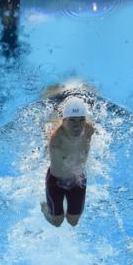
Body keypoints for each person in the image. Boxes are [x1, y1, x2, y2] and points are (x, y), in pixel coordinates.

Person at [40, 96, 95, 227]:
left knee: (73, 222)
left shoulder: (89, 130)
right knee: (57, 222)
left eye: (81, 120)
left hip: (78, 181)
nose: (77, 125)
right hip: (56, 182)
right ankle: (44, 207)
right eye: (72, 120)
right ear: (63, 121)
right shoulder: (56, 139)